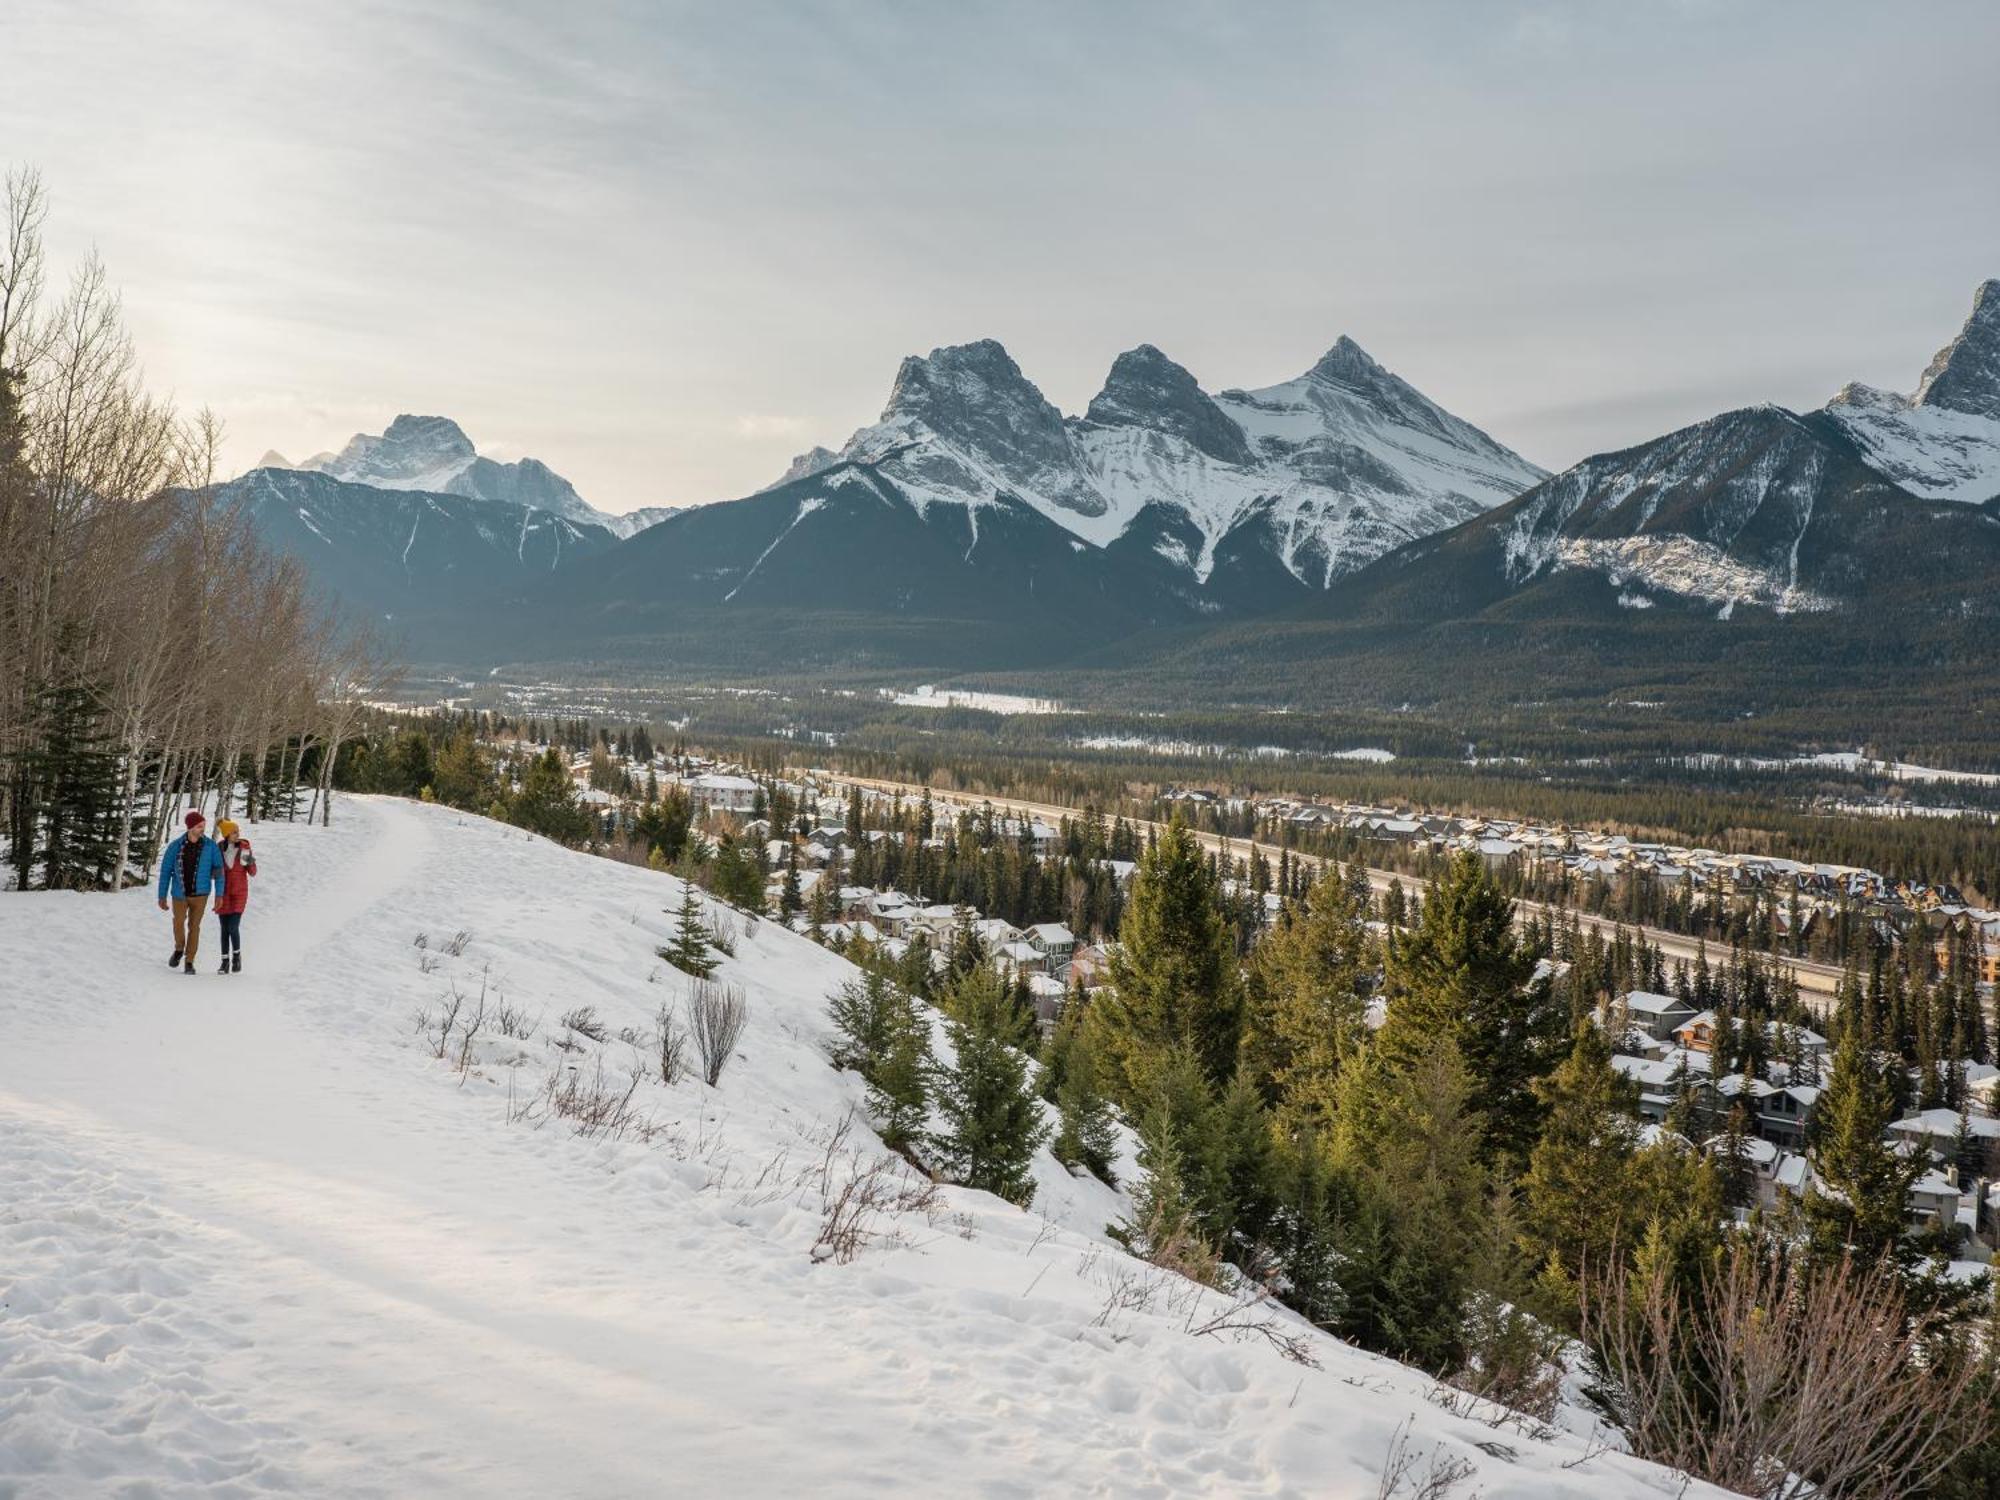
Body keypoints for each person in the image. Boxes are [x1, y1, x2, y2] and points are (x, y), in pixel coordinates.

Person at [157, 810, 224, 975]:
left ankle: (189, 961)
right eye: (199, 826)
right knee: (178, 923)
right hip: (179, 894)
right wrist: (162, 896)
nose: (203, 829)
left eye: (203, 826)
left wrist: (219, 894)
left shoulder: (210, 847)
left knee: (194, 927)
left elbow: (219, 871)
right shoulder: (175, 846)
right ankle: (179, 948)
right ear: (190, 827)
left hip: (201, 895)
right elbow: (166, 872)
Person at [212, 818, 257, 973]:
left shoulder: (244, 847)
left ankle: (237, 958)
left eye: (238, 831)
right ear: (226, 835)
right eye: (234, 832)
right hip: (223, 893)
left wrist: (249, 858)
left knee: (233, 926)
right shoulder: (219, 848)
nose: (237, 834)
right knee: (224, 928)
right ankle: (224, 962)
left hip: (239, 892)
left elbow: (252, 872)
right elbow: (215, 871)